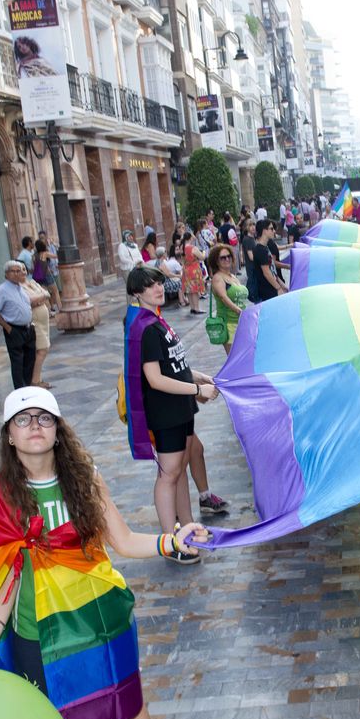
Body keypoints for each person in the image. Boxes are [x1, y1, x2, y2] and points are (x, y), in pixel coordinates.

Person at [0, 384, 208, 719]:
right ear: (9, 434)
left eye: (43, 418)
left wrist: (172, 540)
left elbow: (123, 541)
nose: (33, 426)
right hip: (33, 634)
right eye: (23, 419)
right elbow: (7, 574)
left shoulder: (85, 481)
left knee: (127, 699)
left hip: (97, 621)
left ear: (58, 430)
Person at [124, 267, 219, 564]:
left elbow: (174, 364)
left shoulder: (157, 320)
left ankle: (188, 527)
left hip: (181, 406)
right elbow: (154, 378)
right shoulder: (147, 328)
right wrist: (196, 390)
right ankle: (171, 541)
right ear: (137, 292)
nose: (157, 289)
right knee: (168, 475)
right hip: (166, 411)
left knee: (178, 471)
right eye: (150, 286)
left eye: (159, 283)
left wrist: (200, 377)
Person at [0, 261, 36, 389]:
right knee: (18, 363)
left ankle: (27, 387)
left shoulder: (21, 287)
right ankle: (20, 391)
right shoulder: (2, 290)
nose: (17, 274)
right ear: (6, 274)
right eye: (13, 271)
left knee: (30, 361)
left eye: (19, 271)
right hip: (14, 330)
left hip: (28, 329)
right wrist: (8, 327)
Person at [207, 244, 247, 355]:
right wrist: (240, 311)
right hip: (229, 324)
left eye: (228, 256)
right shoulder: (218, 278)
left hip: (241, 322)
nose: (227, 259)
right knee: (235, 361)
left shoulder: (232, 276)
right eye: (222, 257)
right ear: (216, 261)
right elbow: (224, 298)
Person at [18, 266, 53, 389]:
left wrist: (40, 298)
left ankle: (38, 378)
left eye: (23, 269)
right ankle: (35, 380)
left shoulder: (31, 282)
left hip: (43, 320)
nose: (22, 272)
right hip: (35, 321)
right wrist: (41, 297)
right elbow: (29, 301)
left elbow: (47, 293)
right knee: (42, 349)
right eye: (19, 270)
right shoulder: (19, 288)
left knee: (44, 347)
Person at [251, 219, 287, 302]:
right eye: (271, 229)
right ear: (264, 231)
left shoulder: (265, 247)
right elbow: (267, 273)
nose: (274, 231)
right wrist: (278, 288)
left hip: (271, 289)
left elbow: (272, 270)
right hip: (267, 292)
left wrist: (282, 285)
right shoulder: (260, 250)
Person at [32, 240, 62, 313]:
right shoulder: (45, 254)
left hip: (38, 277)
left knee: (45, 295)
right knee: (56, 292)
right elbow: (57, 256)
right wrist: (55, 246)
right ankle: (60, 309)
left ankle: (48, 312)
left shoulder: (34, 256)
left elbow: (34, 267)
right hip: (47, 276)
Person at [181, 238, 206, 315]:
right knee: (195, 290)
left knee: (189, 290)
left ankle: (192, 307)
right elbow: (202, 257)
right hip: (194, 269)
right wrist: (204, 252)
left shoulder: (182, 247)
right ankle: (196, 308)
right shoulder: (193, 248)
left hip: (186, 270)